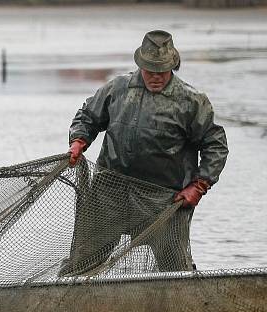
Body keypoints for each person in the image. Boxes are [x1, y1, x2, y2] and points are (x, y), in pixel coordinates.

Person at [60, 30, 229, 276]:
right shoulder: (117, 88)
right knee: (82, 262)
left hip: (164, 199)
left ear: (173, 66)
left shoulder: (192, 101)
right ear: (140, 65)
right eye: (151, 71)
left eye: (162, 71)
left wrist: (200, 184)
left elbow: (215, 144)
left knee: (175, 270)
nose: (156, 77)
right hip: (109, 191)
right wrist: (78, 141)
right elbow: (88, 117)